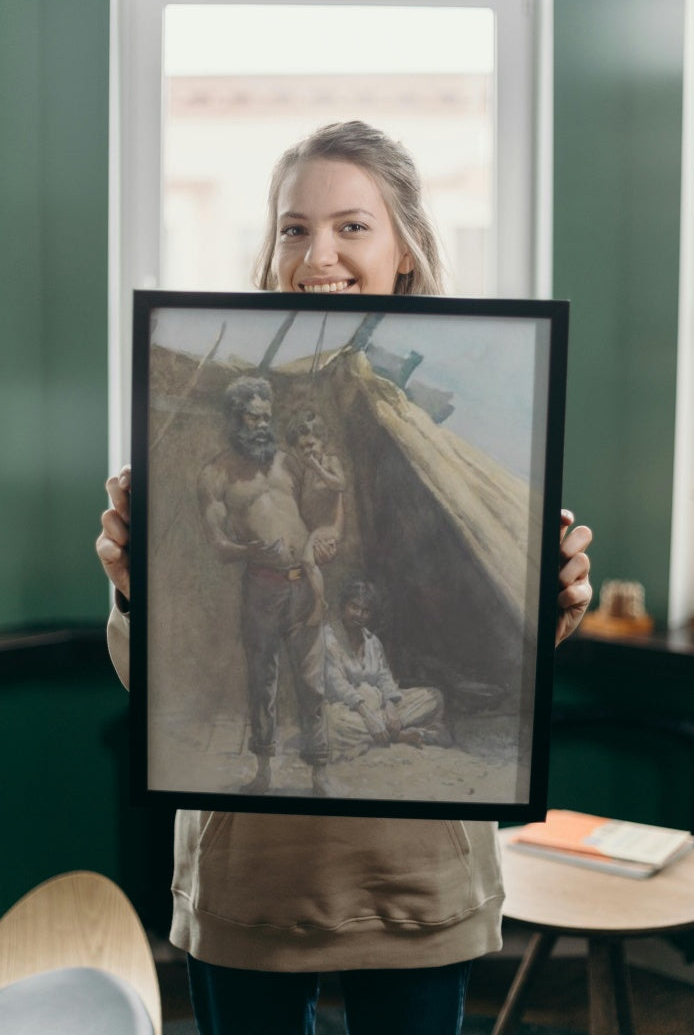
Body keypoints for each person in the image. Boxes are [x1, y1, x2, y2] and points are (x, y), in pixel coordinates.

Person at [97, 120, 593, 1035]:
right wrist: (137, 588)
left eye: (351, 226)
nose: (316, 252)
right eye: (293, 227)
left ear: (405, 246)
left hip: (414, 877)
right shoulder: (210, 466)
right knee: (269, 679)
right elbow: (150, 679)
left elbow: (510, 643)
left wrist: (552, 603)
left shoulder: (427, 427)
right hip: (252, 878)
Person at [197, 376, 335, 797]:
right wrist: (248, 547)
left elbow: (320, 516)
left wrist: (322, 542)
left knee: (313, 684)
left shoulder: (290, 462)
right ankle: (263, 773)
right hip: (260, 590)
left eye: (267, 417)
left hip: (302, 587)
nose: (261, 424)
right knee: (262, 683)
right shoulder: (215, 475)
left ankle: (320, 774)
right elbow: (218, 546)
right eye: (253, 417)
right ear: (235, 418)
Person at [324, 578, 451, 757]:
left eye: (365, 611)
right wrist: (368, 717)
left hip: (380, 705)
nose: (359, 615)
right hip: (349, 709)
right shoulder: (329, 639)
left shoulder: (372, 642)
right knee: (333, 724)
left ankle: (385, 730)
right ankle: (397, 735)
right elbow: (339, 686)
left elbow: (384, 676)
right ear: (343, 606)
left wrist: (390, 706)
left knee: (434, 697)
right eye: (354, 607)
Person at [285, 408, 346, 628]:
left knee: (307, 561)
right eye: (302, 448)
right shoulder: (306, 472)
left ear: (322, 441)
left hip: (329, 529)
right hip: (313, 531)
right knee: (297, 571)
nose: (307, 452)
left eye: (311, 445)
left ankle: (321, 606)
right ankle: (303, 611)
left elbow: (340, 484)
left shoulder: (329, 462)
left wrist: (318, 468)